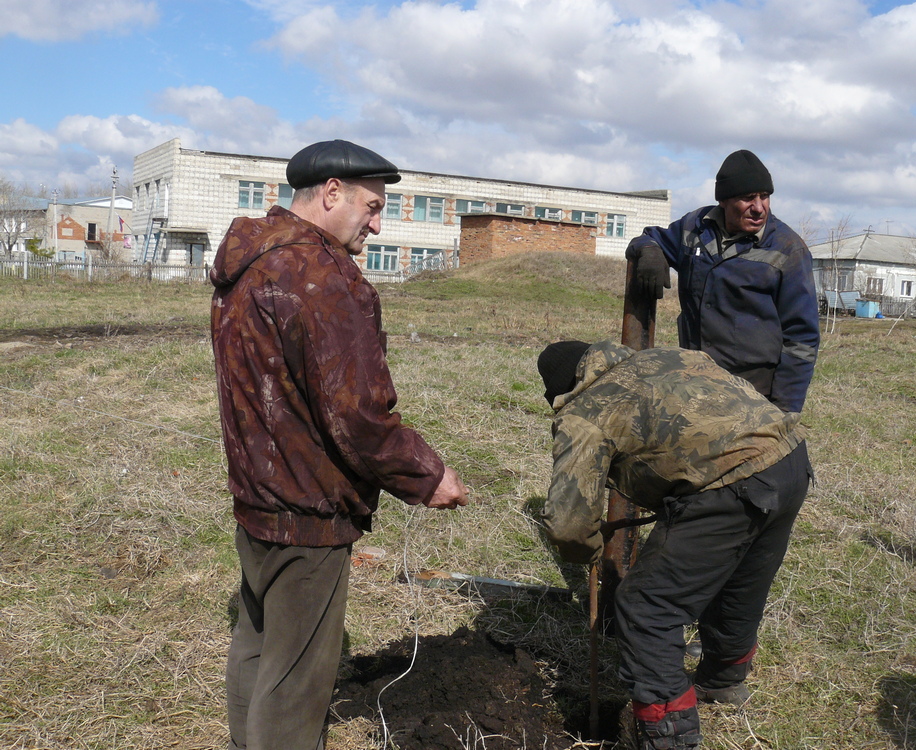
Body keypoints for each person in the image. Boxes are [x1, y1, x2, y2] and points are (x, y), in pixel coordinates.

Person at [210, 139, 469, 750]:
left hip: (256, 489)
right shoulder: (323, 278)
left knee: (257, 637)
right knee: (297, 679)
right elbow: (357, 416)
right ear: (331, 193)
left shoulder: (247, 260)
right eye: (373, 207)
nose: (378, 225)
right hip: (308, 505)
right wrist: (426, 476)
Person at [537, 340, 812, 750]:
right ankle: (723, 680)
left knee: (647, 607)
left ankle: (669, 737)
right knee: (739, 583)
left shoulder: (587, 411)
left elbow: (567, 524)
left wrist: (587, 551)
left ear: (561, 388)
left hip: (727, 486)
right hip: (788, 460)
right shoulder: (666, 356)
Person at [626, 149, 819, 415]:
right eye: (748, 198)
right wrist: (648, 250)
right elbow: (651, 237)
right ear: (724, 201)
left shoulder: (788, 249)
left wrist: (785, 409)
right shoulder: (694, 228)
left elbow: (802, 337)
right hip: (695, 378)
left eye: (765, 197)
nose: (759, 207)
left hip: (753, 391)